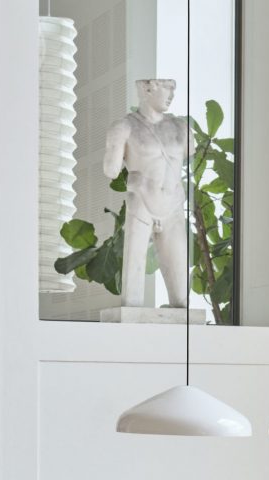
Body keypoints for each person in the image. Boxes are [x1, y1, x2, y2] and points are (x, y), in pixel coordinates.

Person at [103, 78, 193, 308]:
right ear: (146, 89)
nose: (171, 94)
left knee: (181, 292)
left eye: (173, 88)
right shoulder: (124, 127)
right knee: (132, 286)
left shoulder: (180, 127)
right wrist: (115, 144)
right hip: (142, 198)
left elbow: (188, 152)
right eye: (166, 88)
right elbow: (111, 171)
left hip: (172, 202)